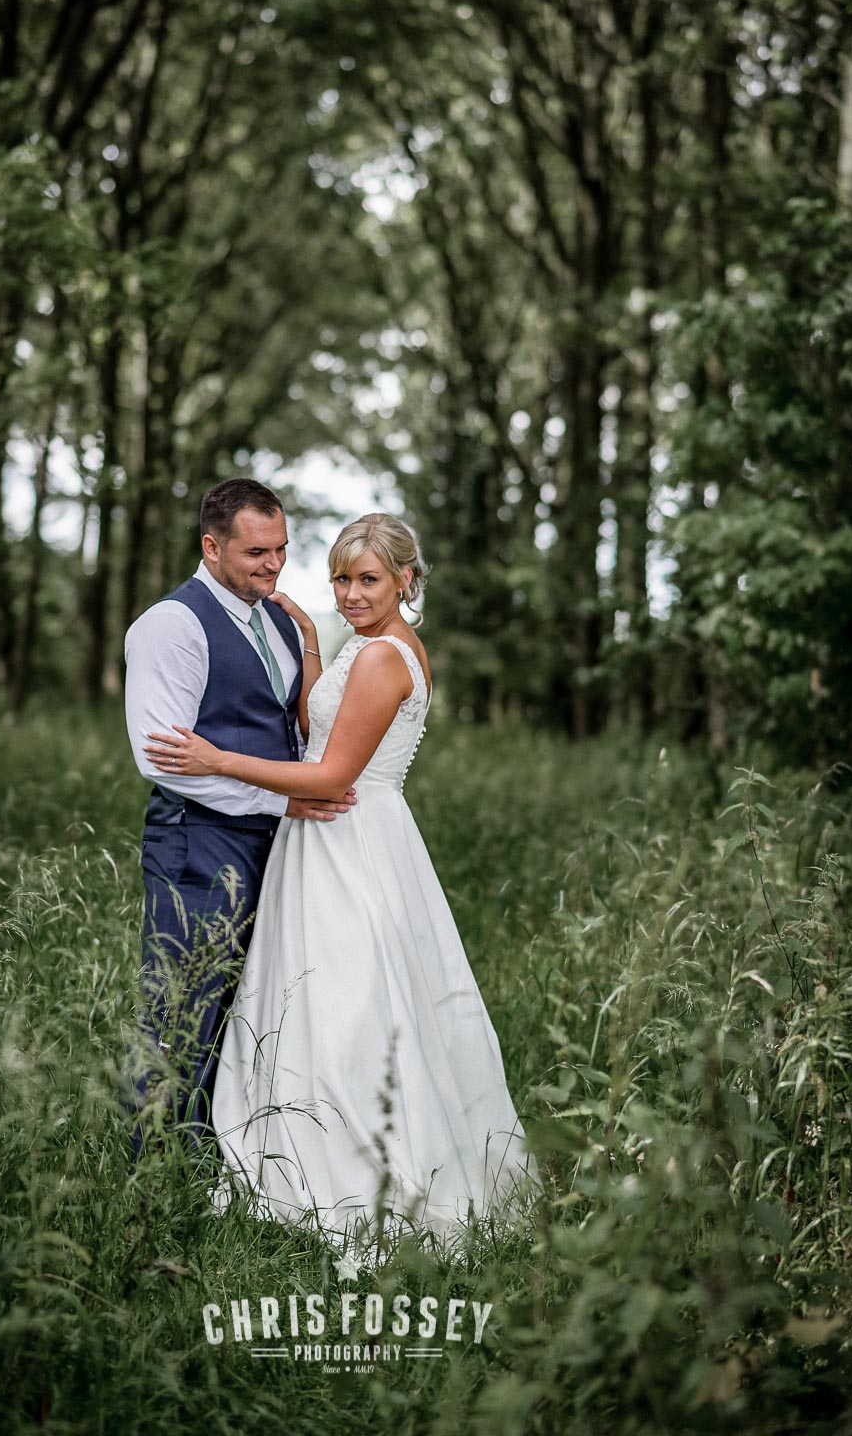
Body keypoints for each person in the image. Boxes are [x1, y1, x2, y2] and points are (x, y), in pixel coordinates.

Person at [144, 513, 538, 1248]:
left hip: (346, 833)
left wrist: (215, 760)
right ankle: (293, 1148)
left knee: (349, 998)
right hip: (330, 834)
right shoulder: (369, 649)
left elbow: (329, 772)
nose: (350, 592)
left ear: (405, 581)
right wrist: (318, 651)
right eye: (339, 578)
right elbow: (322, 724)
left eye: (367, 579)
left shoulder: (386, 658)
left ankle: (354, 1173)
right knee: (326, 991)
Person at [122, 478, 356, 1154]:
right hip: (197, 841)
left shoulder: (279, 617)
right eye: (257, 552)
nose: (273, 565)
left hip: (276, 843)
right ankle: (149, 1166)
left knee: (250, 1003)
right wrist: (277, 798)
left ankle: (221, 1159)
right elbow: (163, 758)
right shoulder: (171, 625)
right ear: (211, 546)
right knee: (181, 1004)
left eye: (281, 550)